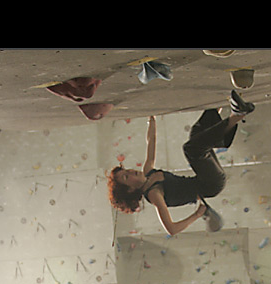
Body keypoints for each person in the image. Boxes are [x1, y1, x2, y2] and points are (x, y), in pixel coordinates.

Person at [107, 91, 255, 236]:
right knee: (191, 149)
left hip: (204, 178)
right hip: (211, 185)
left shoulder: (148, 172)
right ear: (130, 190)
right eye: (126, 177)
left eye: (126, 171)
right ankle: (236, 115)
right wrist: (197, 214)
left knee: (195, 135)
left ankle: (217, 106)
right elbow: (172, 229)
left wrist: (151, 119)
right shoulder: (154, 194)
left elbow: (151, 142)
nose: (131, 171)